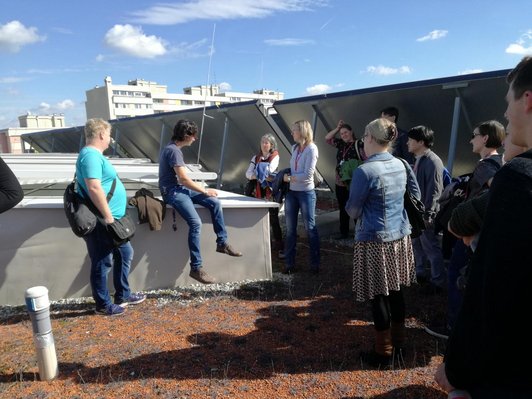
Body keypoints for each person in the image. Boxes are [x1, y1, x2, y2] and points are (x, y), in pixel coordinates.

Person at [434, 56, 532, 398]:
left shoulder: (518, 178)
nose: (507, 115)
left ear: (528, 100)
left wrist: (457, 368)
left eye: (508, 103)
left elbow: (492, 294)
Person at [345, 118, 420, 367]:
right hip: (400, 236)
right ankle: (398, 345)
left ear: (368, 137)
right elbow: (416, 195)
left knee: (378, 296)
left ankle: (383, 353)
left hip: (375, 240)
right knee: (397, 291)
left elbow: (353, 211)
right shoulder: (401, 163)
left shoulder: (364, 171)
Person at [426, 120, 505, 339]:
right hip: (484, 232)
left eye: (474, 135)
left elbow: (498, 195)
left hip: (473, 232)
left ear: (485, 138)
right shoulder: (503, 162)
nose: (471, 140)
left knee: (456, 274)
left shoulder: (486, 166)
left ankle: (454, 326)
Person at [159, 119, 242, 285]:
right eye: (193, 135)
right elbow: (183, 179)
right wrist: (204, 190)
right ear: (185, 135)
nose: (194, 139)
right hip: (172, 191)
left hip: (178, 188)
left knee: (215, 203)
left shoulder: (172, 148)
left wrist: (205, 193)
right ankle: (196, 268)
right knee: (196, 223)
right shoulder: (174, 151)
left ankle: (222, 243)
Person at [77, 118, 145, 316]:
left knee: (125, 253)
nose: (110, 139)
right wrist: (107, 215)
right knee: (102, 261)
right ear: (100, 134)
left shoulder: (93, 155)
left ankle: (123, 295)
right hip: (102, 220)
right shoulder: (90, 155)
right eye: (108, 135)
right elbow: (94, 186)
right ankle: (103, 305)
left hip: (111, 219)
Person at [406, 126, 446, 292]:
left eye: (411, 140)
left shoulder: (432, 161)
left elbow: (435, 190)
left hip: (425, 214)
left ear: (421, 142)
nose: (407, 142)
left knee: (431, 247)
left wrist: (428, 214)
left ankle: (438, 282)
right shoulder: (420, 159)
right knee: (417, 244)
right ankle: (420, 274)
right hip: (417, 213)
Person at [282, 120, 320, 274]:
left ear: (303, 131)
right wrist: (290, 178)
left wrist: (288, 178)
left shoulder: (312, 148)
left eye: (294, 130)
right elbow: (297, 170)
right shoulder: (294, 148)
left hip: (306, 193)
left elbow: (308, 174)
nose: (292, 133)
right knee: (290, 229)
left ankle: (315, 264)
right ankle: (289, 264)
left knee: (310, 228)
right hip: (292, 193)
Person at [245, 133, 284, 256]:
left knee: (273, 218)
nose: (264, 144)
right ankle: (260, 243)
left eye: (266, 142)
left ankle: (279, 244)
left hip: (270, 191)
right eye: (262, 142)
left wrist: (257, 173)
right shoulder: (255, 157)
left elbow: (269, 171)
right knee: (257, 216)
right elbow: (247, 174)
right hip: (257, 191)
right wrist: (259, 173)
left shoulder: (275, 156)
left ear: (271, 144)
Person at [324, 119, 364, 238]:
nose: (344, 135)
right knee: (343, 207)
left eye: (345, 132)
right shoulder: (341, 144)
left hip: (353, 182)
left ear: (351, 132)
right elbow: (327, 138)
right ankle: (344, 232)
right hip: (340, 182)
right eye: (341, 134)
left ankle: (359, 233)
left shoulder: (359, 144)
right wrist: (337, 129)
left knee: (356, 206)